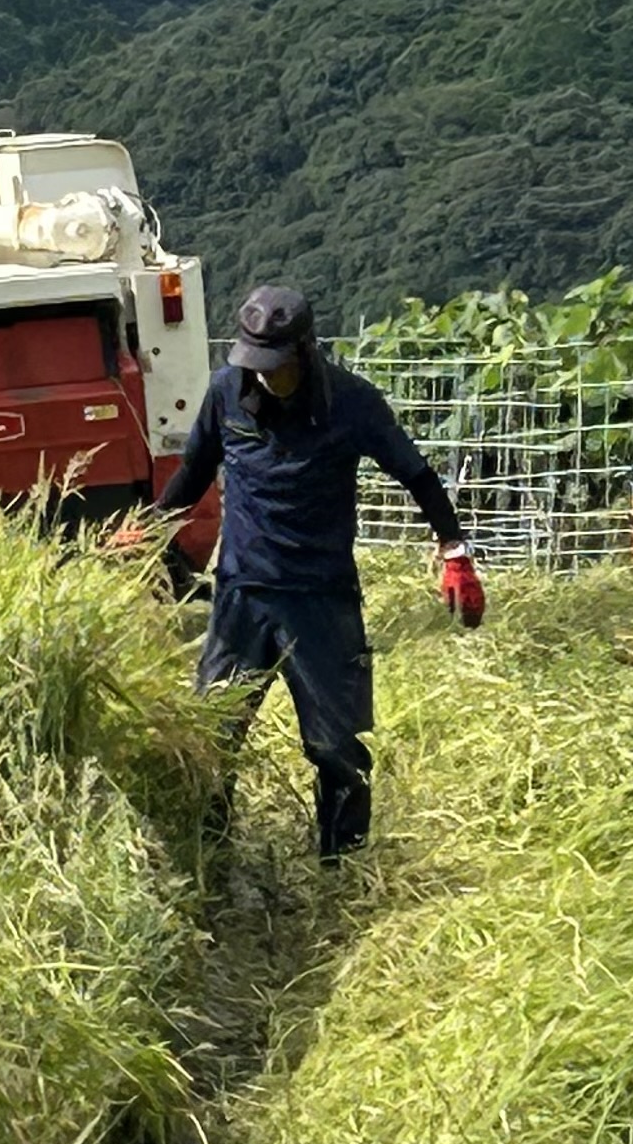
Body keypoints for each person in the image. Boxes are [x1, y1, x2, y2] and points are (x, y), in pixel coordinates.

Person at [156, 282, 484, 859]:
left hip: (321, 599)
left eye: (275, 366)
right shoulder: (227, 392)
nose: (263, 376)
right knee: (213, 738)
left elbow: (418, 475)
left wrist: (453, 550)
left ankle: (345, 871)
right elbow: (194, 471)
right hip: (243, 595)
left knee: (336, 747)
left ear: (306, 351)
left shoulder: (353, 404)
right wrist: (153, 532)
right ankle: (208, 865)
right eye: (254, 364)